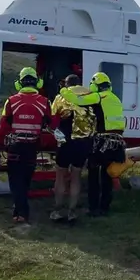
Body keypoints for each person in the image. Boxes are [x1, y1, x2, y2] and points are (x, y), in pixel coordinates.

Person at [0, 66, 51, 224]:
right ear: (37, 83)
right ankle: (20, 210)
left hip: (15, 146)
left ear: (19, 83)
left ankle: (21, 212)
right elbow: (51, 123)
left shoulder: (11, 101)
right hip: (32, 147)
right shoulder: (45, 102)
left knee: (15, 180)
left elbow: (3, 126)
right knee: (26, 179)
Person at [60, 71, 125, 216]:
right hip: (116, 143)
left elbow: (77, 101)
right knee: (107, 176)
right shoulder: (115, 98)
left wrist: (64, 89)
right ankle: (104, 208)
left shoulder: (99, 97)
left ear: (95, 85)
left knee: (93, 175)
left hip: (102, 142)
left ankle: (93, 207)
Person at [48, 74, 96, 223]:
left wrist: (55, 134)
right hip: (83, 142)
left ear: (66, 84)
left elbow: (52, 121)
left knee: (60, 175)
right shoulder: (91, 96)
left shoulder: (61, 97)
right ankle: (72, 211)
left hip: (65, 142)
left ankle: (57, 210)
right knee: (76, 176)